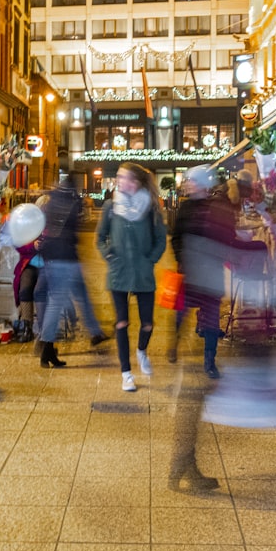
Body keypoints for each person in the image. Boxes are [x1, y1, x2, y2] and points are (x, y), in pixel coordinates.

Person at [170, 165, 263, 377]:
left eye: (192, 181)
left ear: (202, 184)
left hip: (211, 271)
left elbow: (227, 235)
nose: (188, 184)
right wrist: (181, 258)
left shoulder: (219, 205)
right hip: (190, 271)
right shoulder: (185, 208)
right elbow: (177, 237)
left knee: (211, 318)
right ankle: (174, 342)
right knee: (180, 312)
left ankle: (210, 362)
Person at [96, 162, 167, 392]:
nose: (119, 181)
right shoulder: (110, 206)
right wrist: (110, 257)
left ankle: (141, 351)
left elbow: (160, 239)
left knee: (147, 324)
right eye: (118, 176)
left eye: (124, 177)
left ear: (135, 182)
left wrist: (150, 260)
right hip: (119, 273)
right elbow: (100, 238)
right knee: (121, 322)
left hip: (143, 273)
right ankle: (126, 373)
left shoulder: (151, 208)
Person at [35, 175, 110, 368]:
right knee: (56, 302)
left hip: (57, 258)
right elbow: (73, 228)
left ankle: (94, 333)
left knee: (82, 294)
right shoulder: (71, 203)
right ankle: (46, 347)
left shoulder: (52, 201)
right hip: (64, 259)